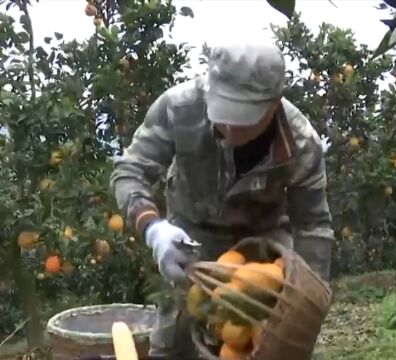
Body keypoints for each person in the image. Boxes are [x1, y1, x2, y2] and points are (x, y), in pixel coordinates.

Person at [109, 40, 334, 357]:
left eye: (240, 116)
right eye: (221, 110)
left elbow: (313, 225)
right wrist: (153, 228)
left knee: (259, 345)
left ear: (273, 106)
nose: (225, 125)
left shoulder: (299, 143)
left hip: (261, 255)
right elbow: (129, 171)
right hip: (190, 242)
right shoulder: (180, 108)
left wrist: (309, 298)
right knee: (173, 344)